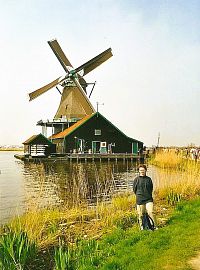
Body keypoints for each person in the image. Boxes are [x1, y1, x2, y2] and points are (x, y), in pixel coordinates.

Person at [133, 164, 157, 230]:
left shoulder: (149, 179)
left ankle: (154, 226)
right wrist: (139, 195)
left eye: (143, 170)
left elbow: (151, 188)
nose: (142, 171)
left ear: (145, 170)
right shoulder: (136, 180)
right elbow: (134, 190)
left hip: (148, 199)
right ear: (138, 171)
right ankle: (142, 227)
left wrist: (147, 195)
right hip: (140, 200)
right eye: (140, 170)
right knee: (140, 214)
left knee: (150, 212)